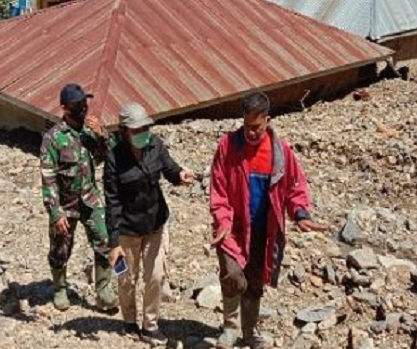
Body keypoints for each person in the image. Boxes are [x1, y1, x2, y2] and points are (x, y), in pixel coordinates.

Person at [209, 92, 327, 349]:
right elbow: (219, 189)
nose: (251, 133)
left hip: (264, 231)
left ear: (267, 120)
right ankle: (229, 328)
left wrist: (300, 214)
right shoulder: (228, 146)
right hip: (233, 229)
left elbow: (294, 187)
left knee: (254, 282)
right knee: (232, 275)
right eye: (247, 126)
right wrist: (222, 221)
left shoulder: (280, 151)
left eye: (257, 127)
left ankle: (249, 331)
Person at [104, 102, 196, 346]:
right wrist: (114, 243)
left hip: (156, 223)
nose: (143, 133)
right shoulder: (114, 158)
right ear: (124, 131)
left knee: (156, 276)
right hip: (126, 231)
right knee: (125, 277)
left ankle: (150, 326)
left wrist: (180, 175)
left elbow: (170, 168)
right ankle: (128, 320)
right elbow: (112, 201)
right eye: (137, 130)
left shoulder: (155, 145)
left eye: (145, 127)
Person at [40, 83, 115, 311]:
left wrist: (103, 135)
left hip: (90, 199)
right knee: (60, 249)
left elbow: (111, 156)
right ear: (64, 108)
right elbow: (48, 177)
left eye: (84, 103)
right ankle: (60, 288)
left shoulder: (89, 132)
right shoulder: (54, 138)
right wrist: (55, 212)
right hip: (66, 204)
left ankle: (104, 291)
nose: (83, 108)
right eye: (77, 105)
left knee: (104, 240)